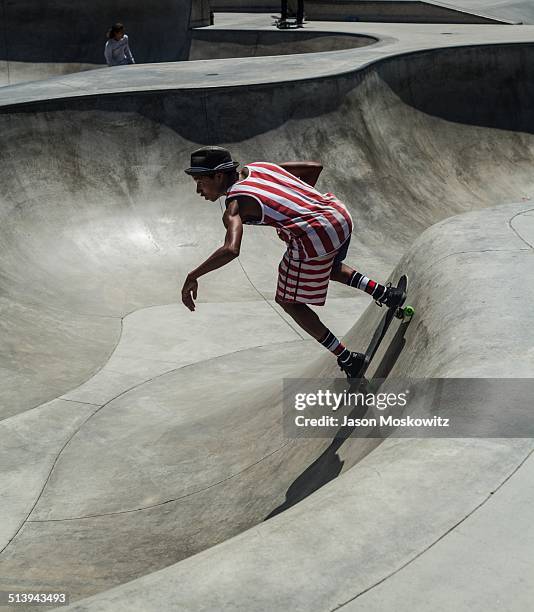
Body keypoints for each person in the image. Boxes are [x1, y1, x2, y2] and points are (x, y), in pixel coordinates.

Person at [181, 147, 405, 379]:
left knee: (288, 301)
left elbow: (231, 249)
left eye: (200, 181)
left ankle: (348, 359)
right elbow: (313, 168)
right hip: (338, 215)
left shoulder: (234, 206)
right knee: (322, 264)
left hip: (318, 233)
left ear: (218, 176)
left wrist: (193, 275)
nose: (198, 190)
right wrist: (300, 209)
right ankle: (385, 294)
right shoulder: (258, 167)